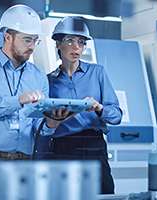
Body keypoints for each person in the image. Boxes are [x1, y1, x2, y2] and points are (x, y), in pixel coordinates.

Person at [0, 4, 67, 162]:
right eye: (27, 40)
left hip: (24, 160)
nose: (32, 47)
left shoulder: (38, 76)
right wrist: (17, 101)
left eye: (35, 41)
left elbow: (38, 125)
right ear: (7, 36)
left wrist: (51, 124)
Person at [47, 16, 122, 194]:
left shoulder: (97, 73)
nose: (76, 47)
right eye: (70, 41)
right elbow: (44, 122)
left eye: (81, 42)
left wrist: (99, 108)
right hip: (63, 148)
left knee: (104, 195)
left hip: (94, 146)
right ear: (58, 44)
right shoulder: (49, 81)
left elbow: (117, 115)